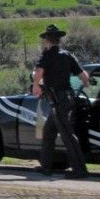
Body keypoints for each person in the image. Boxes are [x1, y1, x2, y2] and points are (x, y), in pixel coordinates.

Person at [32, 24, 90, 179]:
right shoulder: (67, 55)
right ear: (59, 40)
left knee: (67, 135)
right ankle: (46, 167)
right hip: (66, 99)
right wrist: (86, 84)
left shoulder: (47, 55)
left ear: (47, 40)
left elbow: (38, 72)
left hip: (57, 101)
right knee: (49, 133)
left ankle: (80, 171)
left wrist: (36, 86)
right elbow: (84, 76)